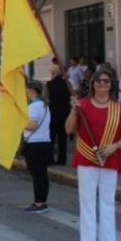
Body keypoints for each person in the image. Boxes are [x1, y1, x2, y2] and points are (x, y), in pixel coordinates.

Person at [65, 68, 121, 241]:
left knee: (108, 201)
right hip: (87, 157)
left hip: (109, 157)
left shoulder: (118, 107)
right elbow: (69, 130)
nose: (102, 83)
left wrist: (115, 146)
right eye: (98, 80)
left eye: (106, 80)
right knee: (87, 201)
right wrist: (73, 110)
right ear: (93, 83)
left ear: (111, 84)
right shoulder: (83, 105)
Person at [22, 81, 51, 213]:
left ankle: (38, 202)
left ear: (32, 91)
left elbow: (32, 125)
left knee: (37, 174)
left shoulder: (33, 107)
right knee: (42, 173)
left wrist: (19, 123)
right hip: (45, 142)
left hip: (34, 143)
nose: (26, 94)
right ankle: (42, 201)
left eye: (27, 91)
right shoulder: (45, 106)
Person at [47, 64, 71, 165]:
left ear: (53, 73)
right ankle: (62, 159)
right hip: (65, 113)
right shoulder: (68, 84)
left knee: (51, 137)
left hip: (54, 113)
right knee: (62, 138)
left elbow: (47, 99)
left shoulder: (50, 84)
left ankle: (49, 158)